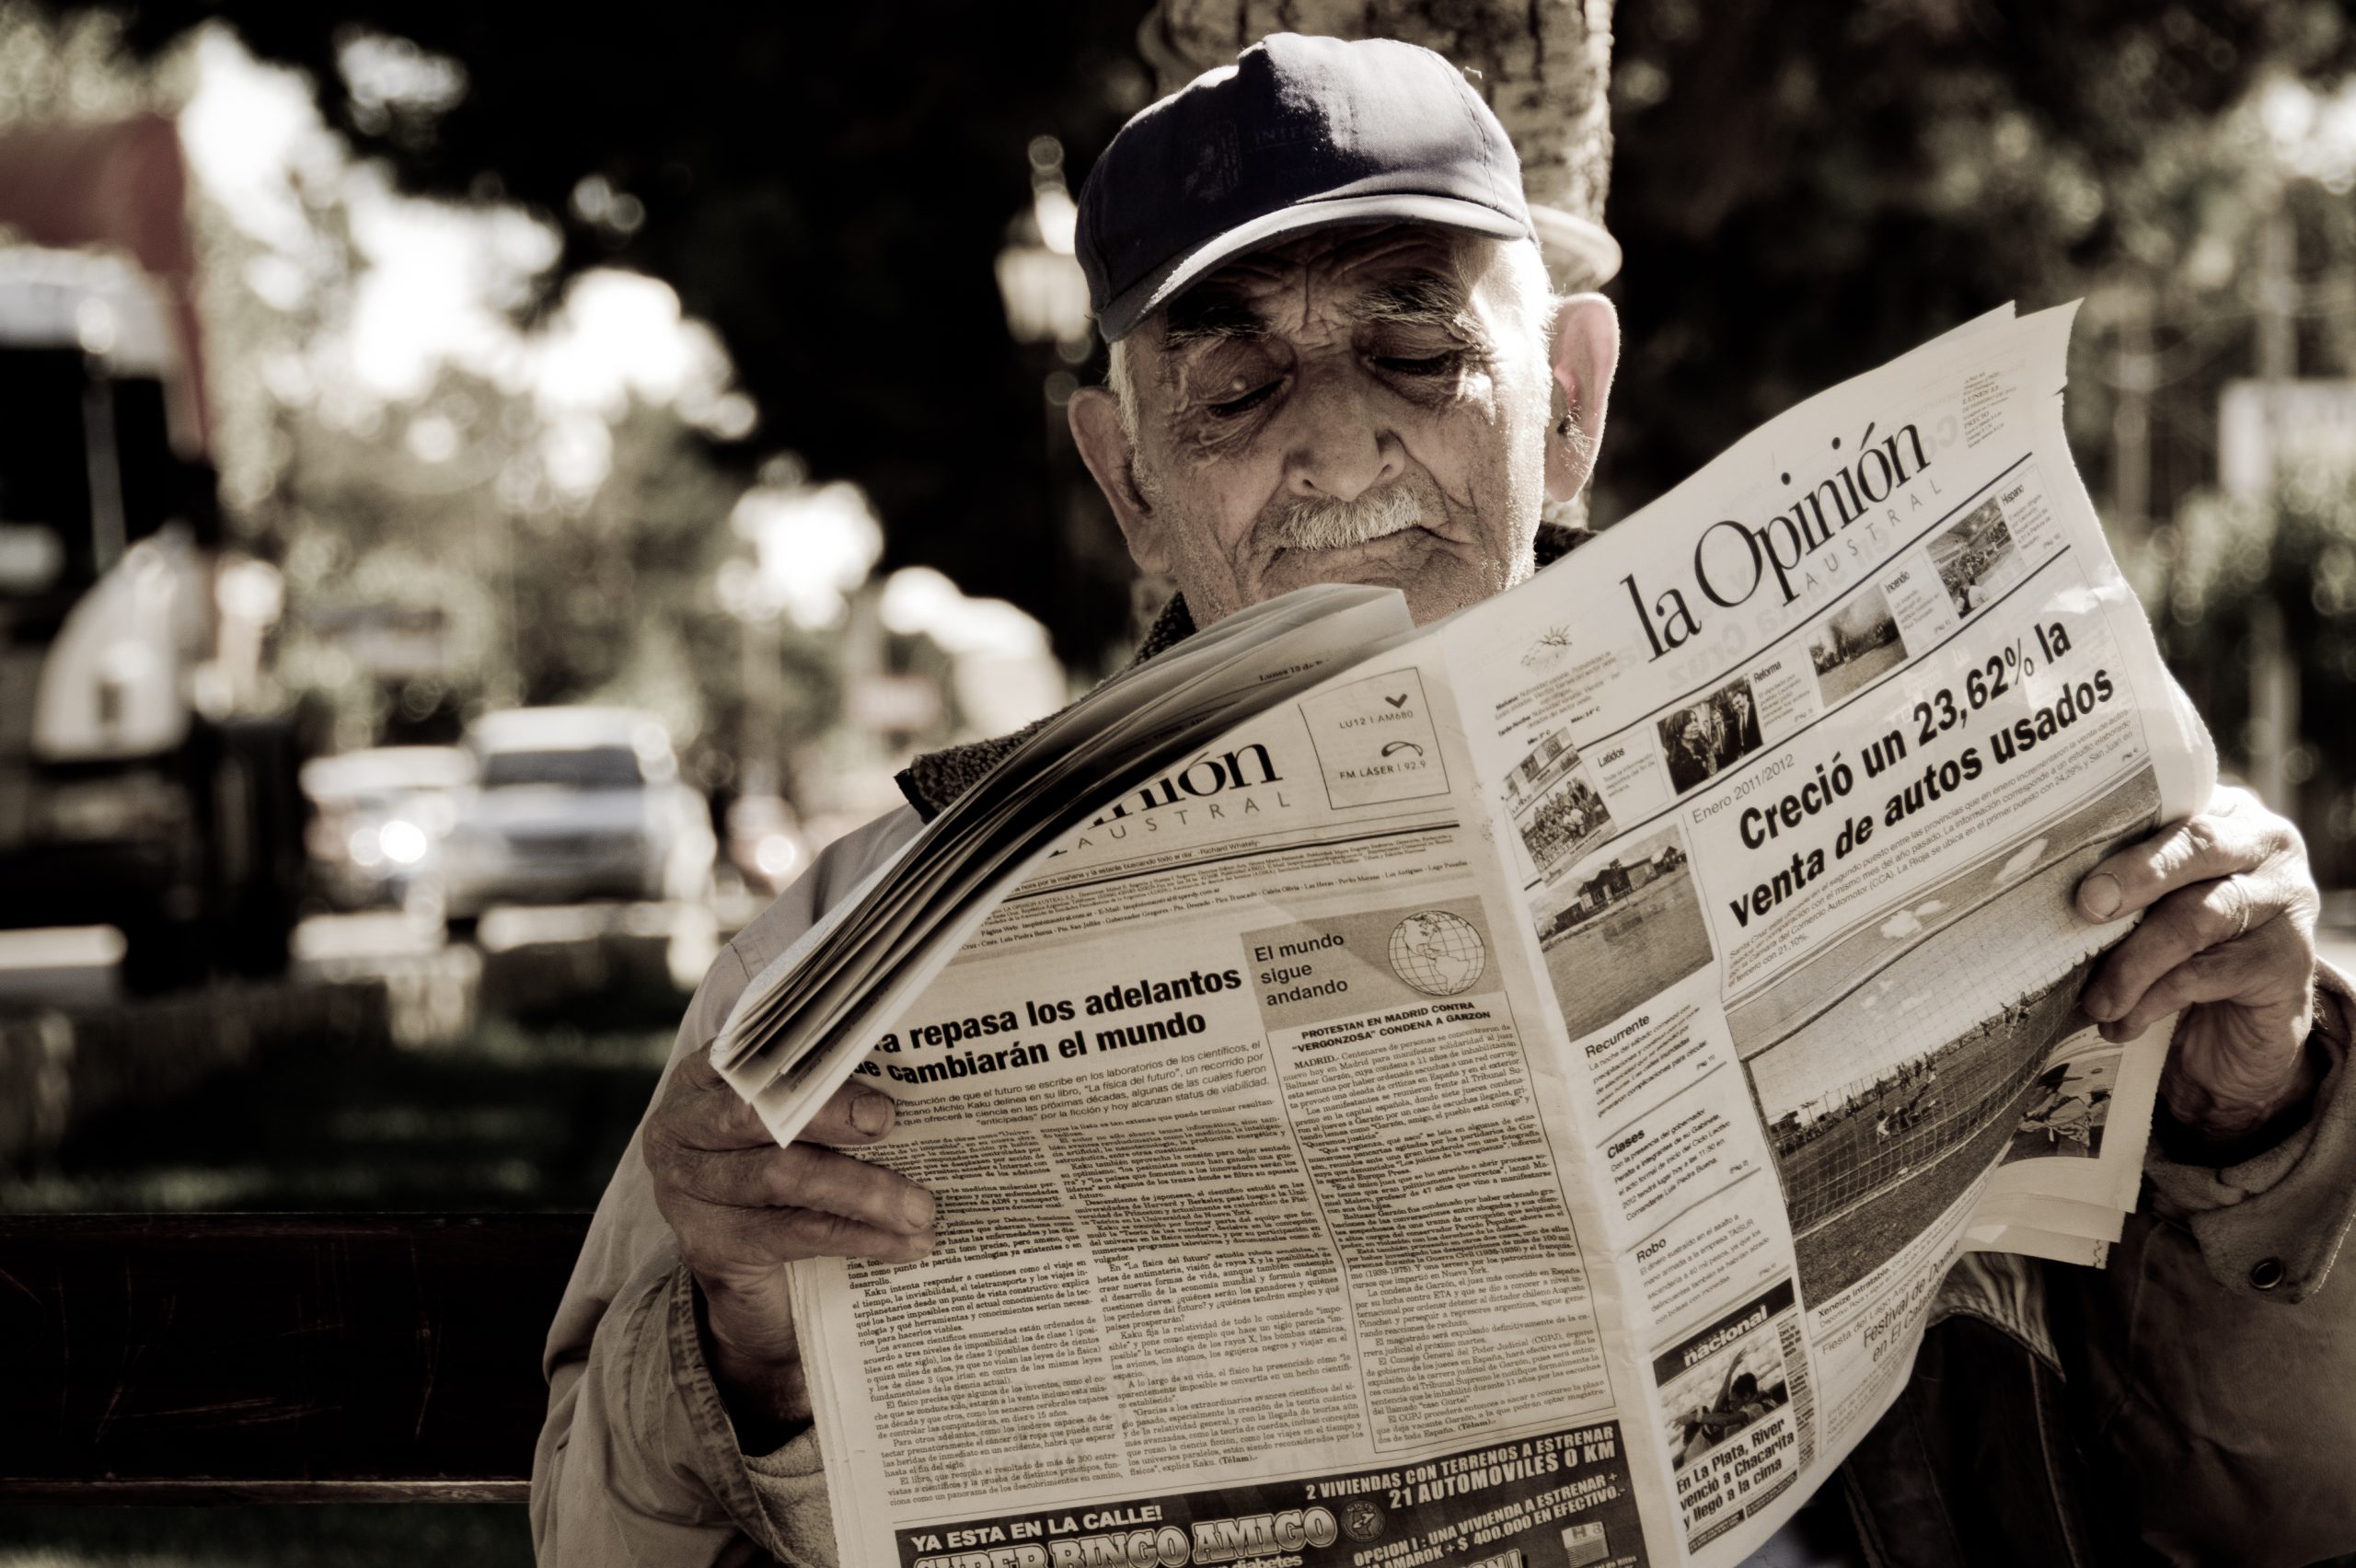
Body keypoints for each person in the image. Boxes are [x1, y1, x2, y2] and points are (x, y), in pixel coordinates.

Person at [531, 35, 2356, 1568]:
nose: (1331, 445)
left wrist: (2260, 1109)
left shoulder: (1949, 819)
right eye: (1235, 382)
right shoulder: (869, 941)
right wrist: (745, 1340)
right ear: (1127, 476)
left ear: (1562, 403)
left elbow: (2287, 1498)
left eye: (1412, 351)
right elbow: (596, 1539)